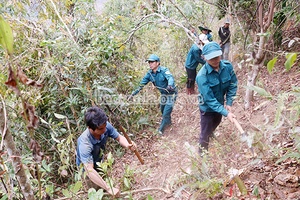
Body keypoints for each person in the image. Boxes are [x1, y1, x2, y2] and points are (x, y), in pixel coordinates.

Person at [76, 106, 137, 197]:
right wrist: (108, 188)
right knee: (96, 192)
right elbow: (89, 170)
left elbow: (119, 137)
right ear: (90, 128)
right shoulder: (85, 144)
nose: (104, 130)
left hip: (99, 161)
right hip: (87, 168)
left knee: (104, 184)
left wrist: (128, 145)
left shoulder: (104, 125)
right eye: (101, 129)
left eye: (105, 126)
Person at [196, 41, 238, 154]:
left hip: (220, 105)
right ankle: (201, 156)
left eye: (217, 57)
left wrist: (229, 102)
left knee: (216, 123)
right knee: (204, 135)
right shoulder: (202, 76)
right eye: (211, 58)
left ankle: (210, 133)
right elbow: (209, 100)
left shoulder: (227, 67)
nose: (215, 60)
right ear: (204, 58)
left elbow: (233, 84)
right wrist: (227, 113)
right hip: (207, 109)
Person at [130, 54, 177, 135]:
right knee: (163, 110)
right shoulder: (149, 74)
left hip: (171, 93)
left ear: (158, 63)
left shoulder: (164, 70)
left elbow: (170, 77)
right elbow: (141, 85)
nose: (150, 64)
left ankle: (160, 131)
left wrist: (170, 85)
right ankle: (169, 124)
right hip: (163, 94)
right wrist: (132, 94)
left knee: (166, 112)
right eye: (149, 62)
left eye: (152, 62)